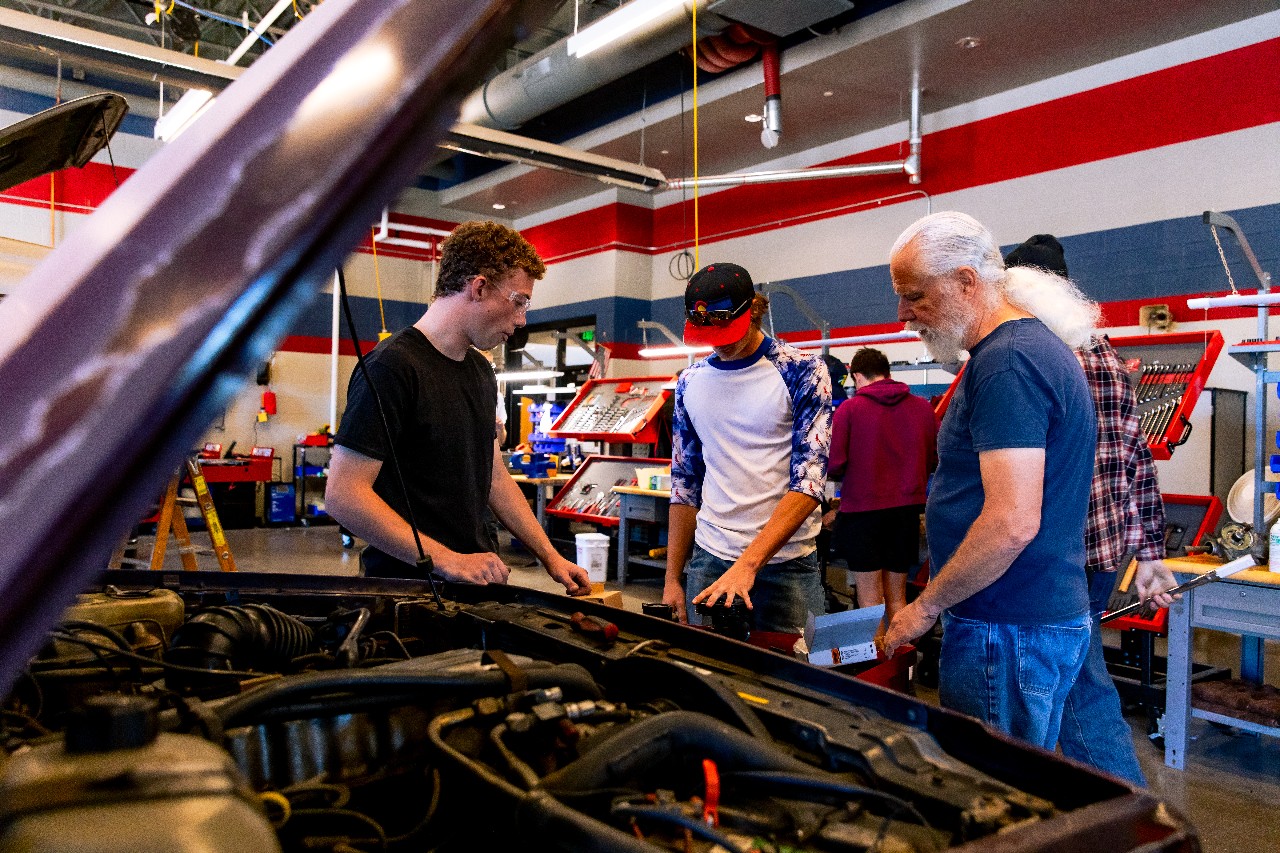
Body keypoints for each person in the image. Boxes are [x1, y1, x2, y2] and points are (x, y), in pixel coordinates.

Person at [881, 211, 1096, 752]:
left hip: (1007, 627)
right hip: (1019, 621)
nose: (903, 313)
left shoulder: (1009, 364)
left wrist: (924, 606)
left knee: (996, 794)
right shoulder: (1022, 351)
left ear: (966, 281)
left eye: (915, 295)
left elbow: (1010, 523)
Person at [325, 220, 591, 595]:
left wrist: (550, 556)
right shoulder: (392, 367)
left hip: (478, 581)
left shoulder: (480, 369)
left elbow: (495, 477)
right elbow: (344, 495)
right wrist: (449, 560)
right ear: (478, 287)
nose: (521, 320)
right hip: (409, 592)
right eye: (519, 301)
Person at [1004, 234, 1178, 786]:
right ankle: (1121, 810)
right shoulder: (1104, 353)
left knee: (1064, 689)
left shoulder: (1033, 355)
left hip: (1048, 553)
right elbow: (1137, 459)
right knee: (1076, 679)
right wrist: (1150, 550)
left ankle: (1122, 814)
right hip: (1102, 551)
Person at [663, 262, 832, 633]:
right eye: (708, 332)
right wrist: (672, 578)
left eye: (728, 330)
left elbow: (809, 481)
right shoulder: (690, 383)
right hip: (710, 558)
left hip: (787, 564)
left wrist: (749, 564)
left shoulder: (803, 371)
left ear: (753, 310)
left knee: (798, 679)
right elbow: (684, 481)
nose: (719, 341)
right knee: (707, 673)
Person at [830, 347, 937, 642]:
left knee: (870, 602)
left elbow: (835, 464)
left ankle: (878, 672)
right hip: (905, 514)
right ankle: (904, 669)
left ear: (858, 375)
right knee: (897, 599)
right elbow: (933, 459)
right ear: (887, 372)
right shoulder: (922, 408)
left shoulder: (849, 410)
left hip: (862, 515)